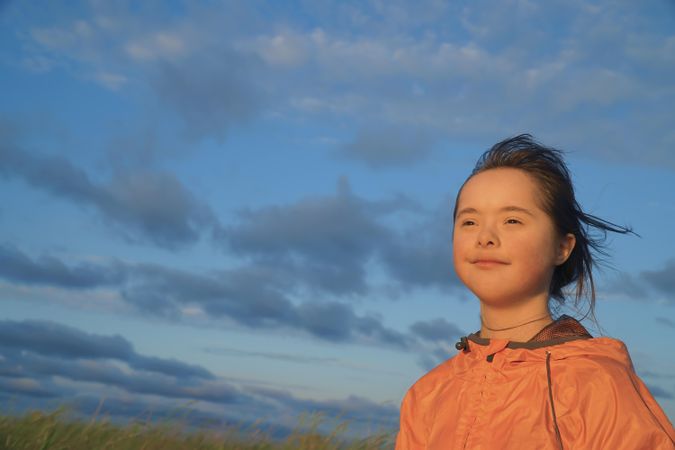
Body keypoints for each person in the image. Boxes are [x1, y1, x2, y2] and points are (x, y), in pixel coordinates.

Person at [395, 135, 675, 449]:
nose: (485, 237)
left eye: (512, 220)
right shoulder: (428, 393)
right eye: (469, 221)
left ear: (562, 247)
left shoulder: (597, 385)